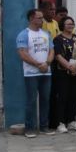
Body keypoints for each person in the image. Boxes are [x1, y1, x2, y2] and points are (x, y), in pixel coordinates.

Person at [16, 8, 55, 138]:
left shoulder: (46, 34)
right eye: (39, 18)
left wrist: (47, 63)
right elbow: (22, 53)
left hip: (46, 73)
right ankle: (30, 128)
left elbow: (51, 51)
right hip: (31, 74)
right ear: (31, 19)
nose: (42, 20)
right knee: (31, 101)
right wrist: (38, 64)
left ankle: (44, 126)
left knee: (45, 100)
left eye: (42, 17)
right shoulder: (24, 34)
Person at [52, 17, 76, 133]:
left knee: (74, 96)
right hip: (62, 72)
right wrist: (69, 66)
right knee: (63, 97)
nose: (70, 26)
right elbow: (57, 55)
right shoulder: (58, 39)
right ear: (63, 25)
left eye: (72, 24)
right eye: (68, 24)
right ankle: (61, 122)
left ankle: (72, 121)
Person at [41, 2, 61, 130]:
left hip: (55, 60)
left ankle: (54, 121)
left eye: (54, 9)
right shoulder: (41, 23)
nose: (53, 12)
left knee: (55, 93)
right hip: (44, 60)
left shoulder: (55, 23)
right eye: (50, 9)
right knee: (45, 94)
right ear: (43, 10)